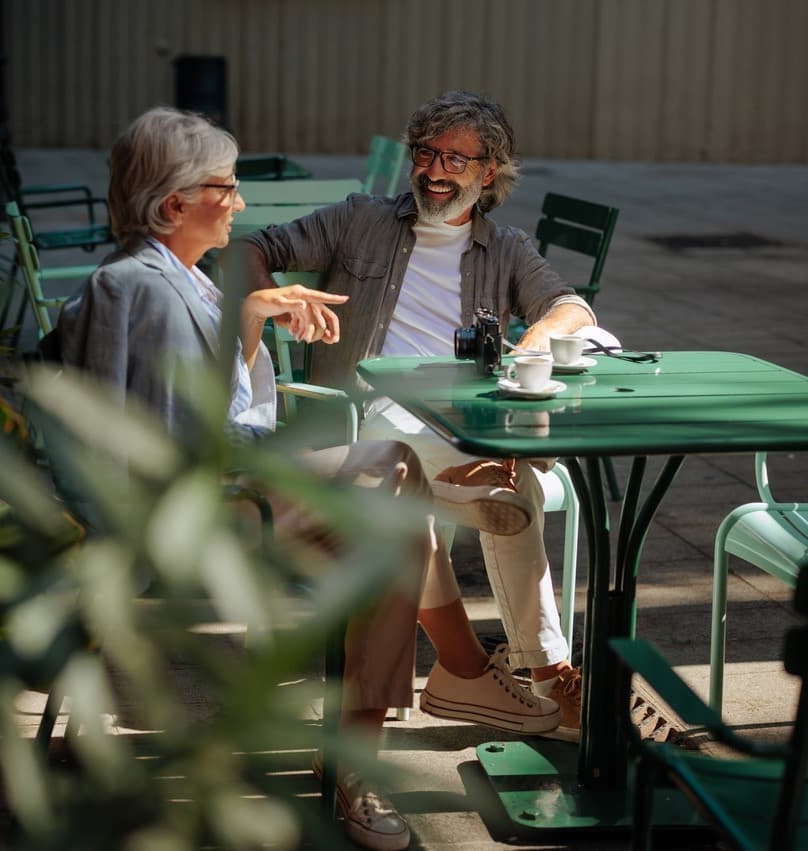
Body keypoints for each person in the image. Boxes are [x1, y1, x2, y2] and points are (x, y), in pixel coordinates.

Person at [56, 106, 559, 851]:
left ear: (489, 175)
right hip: (189, 518)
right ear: (173, 205)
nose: (242, 203)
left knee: (393, 500)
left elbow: (214, 412)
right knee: (390, 485)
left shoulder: (177, 281)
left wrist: (252, 317)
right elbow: (162, 453)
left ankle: (409, 709)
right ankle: (396, 728)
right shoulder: (144, 291)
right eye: (227, 188)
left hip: (228, 486)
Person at [231, 91, 592, 742]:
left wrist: (535, 340)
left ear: (489, 173)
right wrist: (268, 299)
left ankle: (547, 675)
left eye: (455, 157)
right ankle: (476, 504)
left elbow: (572, 309)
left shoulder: (505, 248)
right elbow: (254, 246)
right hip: (358, 420)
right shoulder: (360, 219)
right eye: (425, 152)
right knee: (435, 474)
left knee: (522, 491)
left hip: (453, 424)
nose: (434, 169)